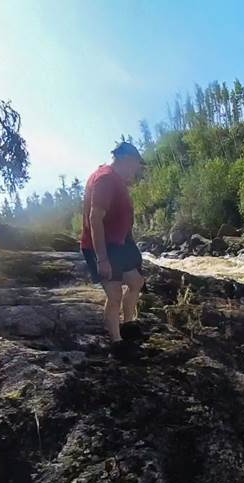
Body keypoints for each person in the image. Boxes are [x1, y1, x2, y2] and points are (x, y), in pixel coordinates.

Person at [80, 141, 146, 345]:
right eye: (136, 166)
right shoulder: (106, 178)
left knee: (136, 282)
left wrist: (130, 246)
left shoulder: (114, 179)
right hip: (102, 247)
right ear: (127, 160)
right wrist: (102, 259)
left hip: (118, 245)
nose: (135, 172)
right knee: (115, 293)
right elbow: (94, 218)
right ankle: (117, 342)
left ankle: (128, 324)